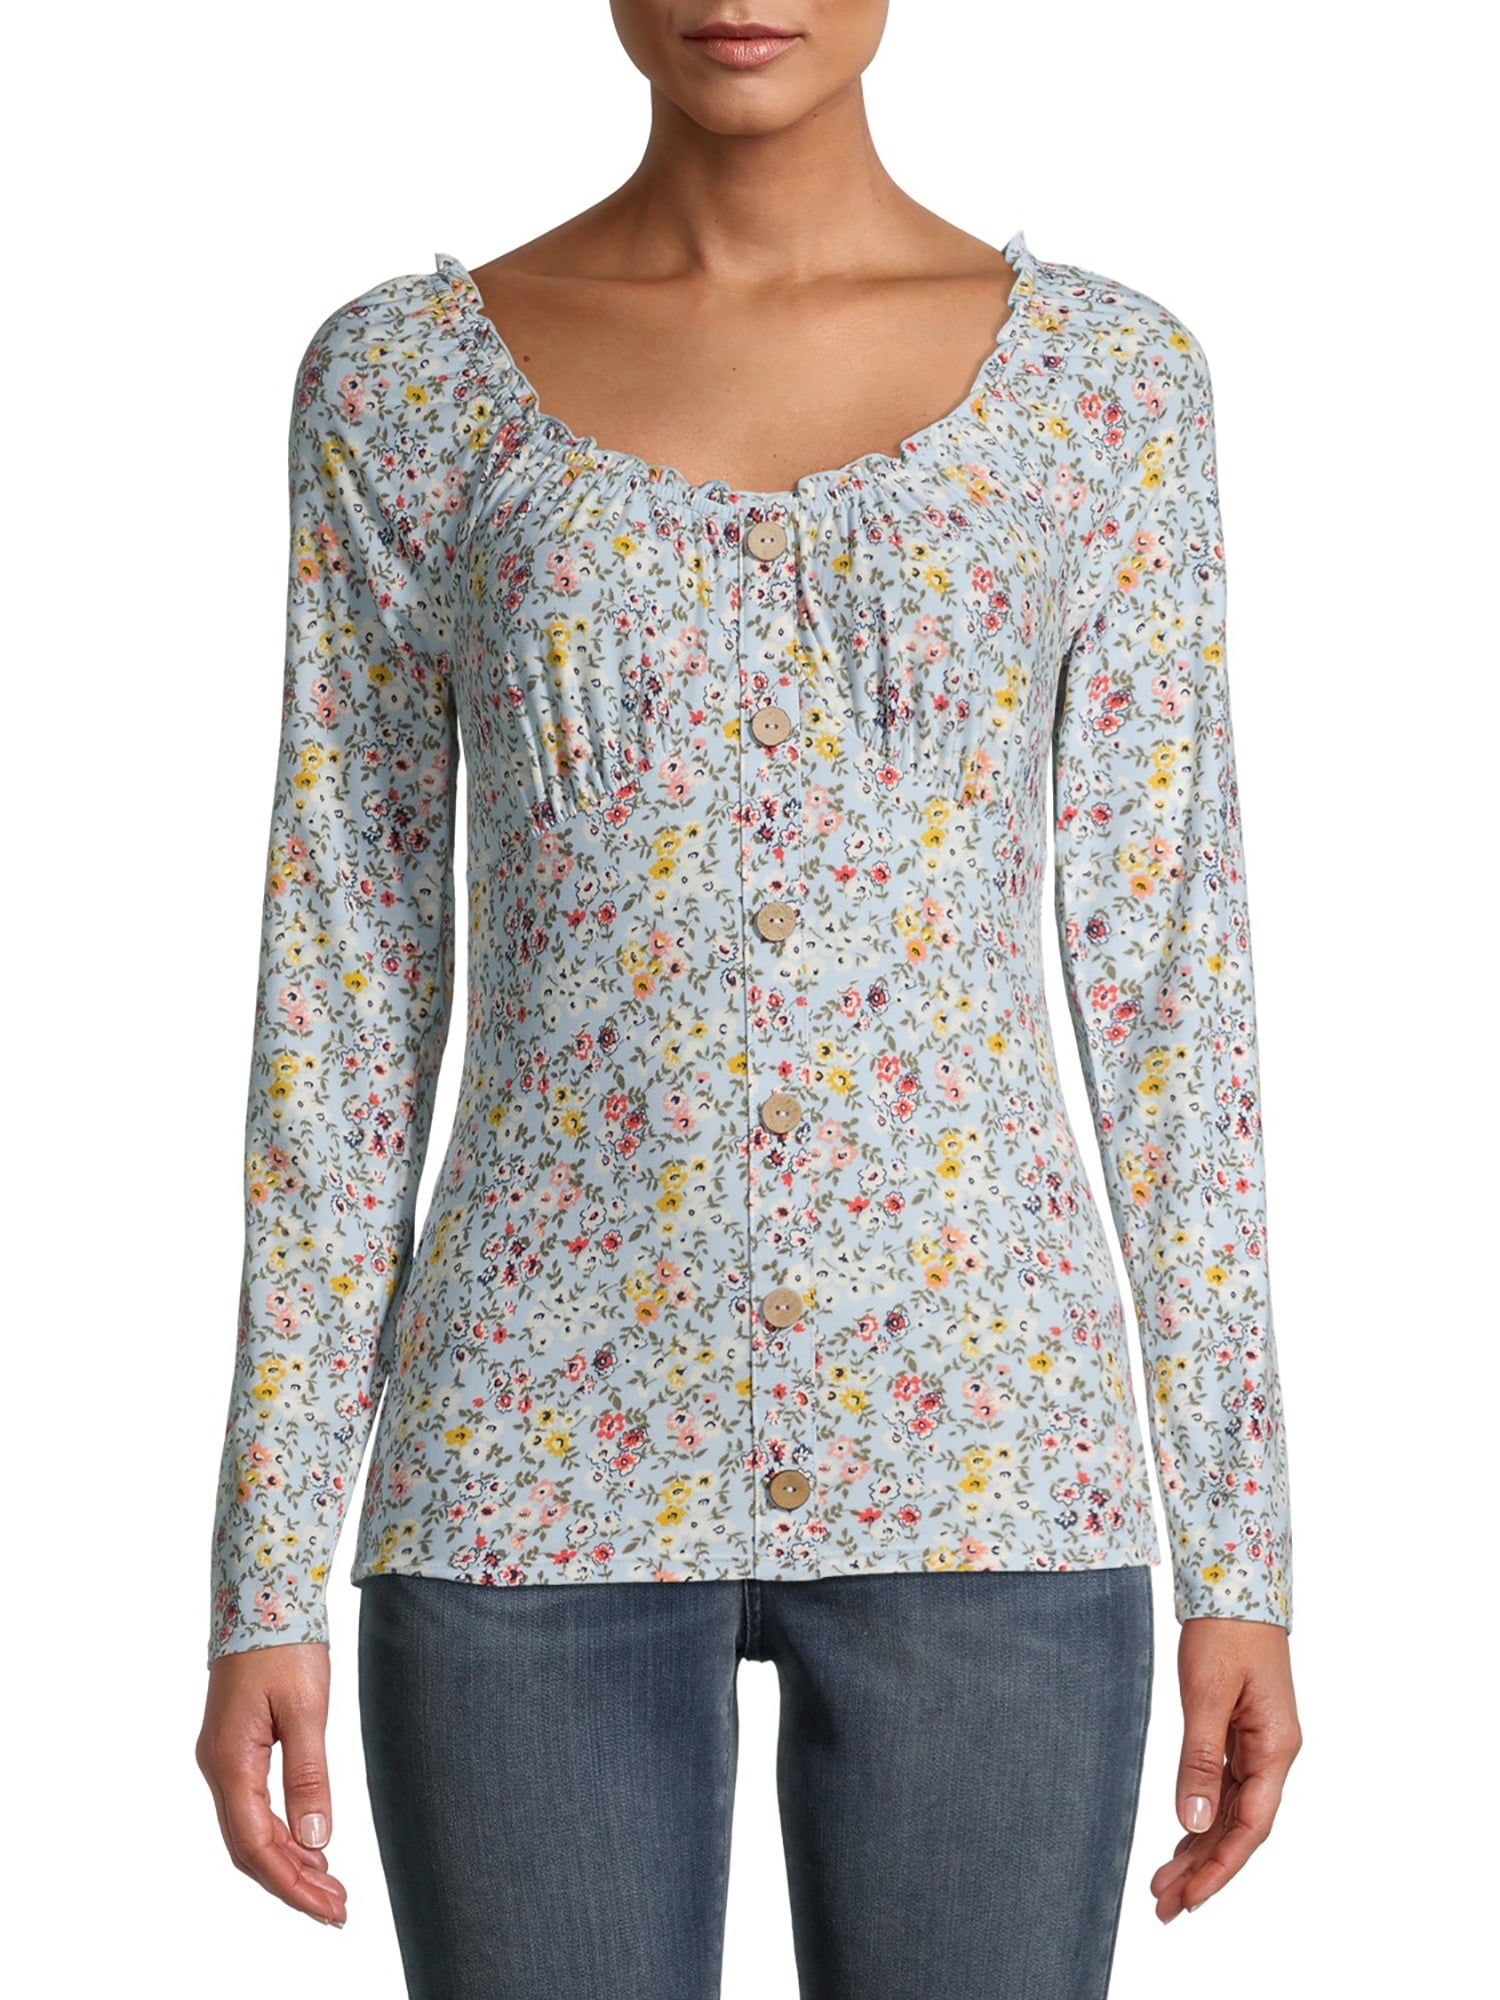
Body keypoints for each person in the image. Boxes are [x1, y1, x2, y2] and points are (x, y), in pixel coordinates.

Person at [195, 4, 1303, 1994]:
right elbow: (346, 991)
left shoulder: (1110, 388)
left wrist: (1247, 1553)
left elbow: (1177, 995)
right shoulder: (403, 386)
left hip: (995, 1469)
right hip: (520, 1473)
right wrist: (264, 1570)